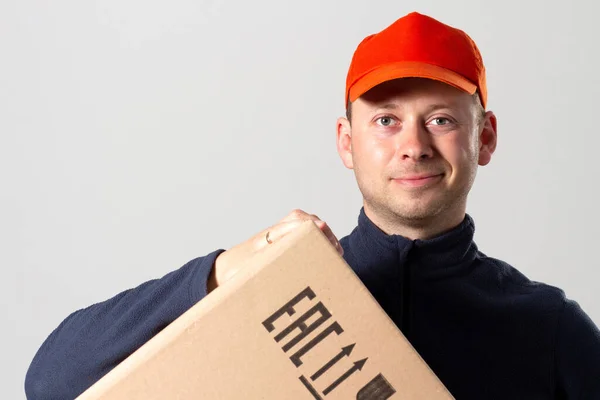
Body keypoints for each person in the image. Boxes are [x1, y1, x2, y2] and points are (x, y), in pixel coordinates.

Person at [25, 11, 600, 400]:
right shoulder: (272, 291)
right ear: (346, 143)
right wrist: (225, 270)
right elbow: (50, 381)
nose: (414, 144)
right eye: (385, 120)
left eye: (442, 119)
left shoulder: (545, 328)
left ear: (486, 138)